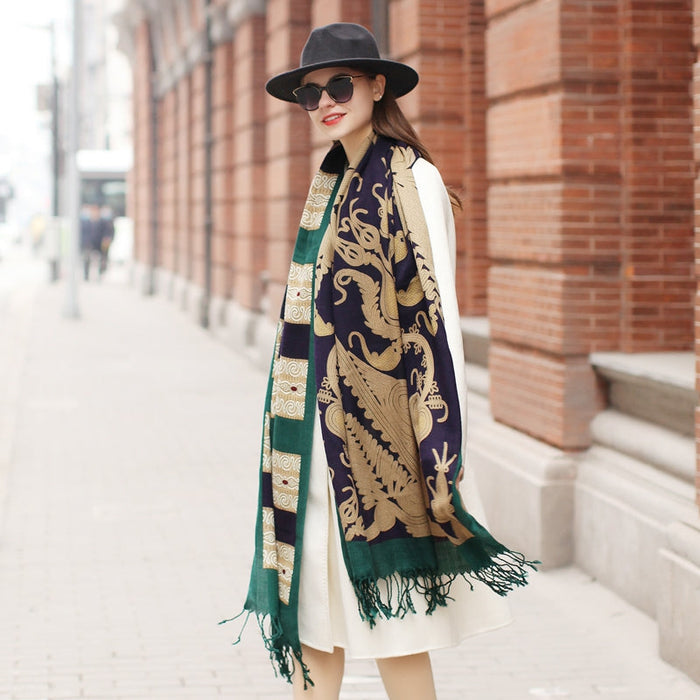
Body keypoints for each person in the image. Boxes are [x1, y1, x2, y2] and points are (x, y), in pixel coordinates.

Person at [225, 22, 536, 700]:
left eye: (339, 86)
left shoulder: (413, 178)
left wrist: (444, 443)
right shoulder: (330, 183)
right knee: (310, 614)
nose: (325, 103)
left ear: (375, 86)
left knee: (397, 629)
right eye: (310, 94)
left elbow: (437, 318)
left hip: (383, 439)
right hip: (311, 437)